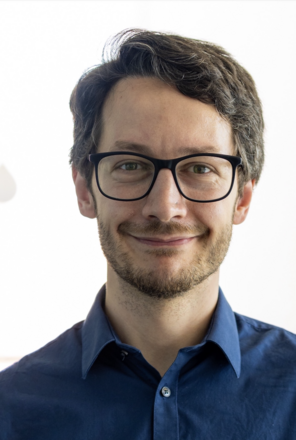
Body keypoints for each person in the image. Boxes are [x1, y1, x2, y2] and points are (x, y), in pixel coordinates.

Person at [1, 29, 296, 440]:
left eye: (200, 167)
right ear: (85, 190)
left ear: (242, 198)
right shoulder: (10, 408)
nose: (164, 207)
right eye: (129, 165)